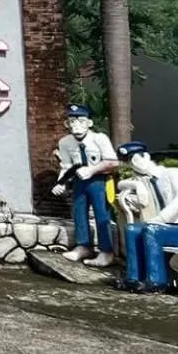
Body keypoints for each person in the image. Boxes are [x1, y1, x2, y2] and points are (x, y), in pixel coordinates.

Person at [114, 141, 178, 293]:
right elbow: (120, 185)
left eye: (134, 159)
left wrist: (161, 219)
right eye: (129, 162)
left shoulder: (172, 173)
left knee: (151, 231)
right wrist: (136, 186)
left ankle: (157, 282)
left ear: (145, 156)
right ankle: (135, 278)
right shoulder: (143, 180)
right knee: (132, 229)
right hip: (164, 228)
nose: (133, 165)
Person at [52, 104, 120, 267]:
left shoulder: (99, 139)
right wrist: (61, 183)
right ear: (67, 124)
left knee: (101, 215)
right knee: (78, 212)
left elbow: (113, 162)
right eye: (72, 121)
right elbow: (67, 167)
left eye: (81, 121)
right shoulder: (65, 142)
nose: (76, 125)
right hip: (78, 181)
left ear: (89, 123)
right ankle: (83, 246)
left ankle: (106, 251)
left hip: (98, 181)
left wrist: (92, 170)